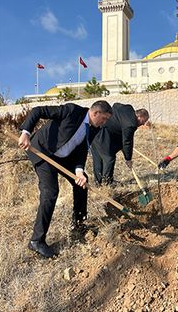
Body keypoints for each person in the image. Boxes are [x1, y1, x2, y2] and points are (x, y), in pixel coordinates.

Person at [18, 101, 113, 258]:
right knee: (51, 192)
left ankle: (78, 224)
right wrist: (26, 132)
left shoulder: (94, 128)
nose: (104, 123)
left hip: (64, 157)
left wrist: (79, 171)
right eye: (103, 118)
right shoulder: (71, 111)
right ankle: (36, 241)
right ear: (95, 113)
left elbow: (82, 150)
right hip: (42, 150)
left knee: (82, 183)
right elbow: (38, 111)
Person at [90, 104, 149, 185]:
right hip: (103, 135)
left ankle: (98, 182)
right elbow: (127, 142)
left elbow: (115, 105)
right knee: (109, 158)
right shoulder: (131, 124)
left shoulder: (129, 108)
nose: (143, 124)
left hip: (95, 130)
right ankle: (107, 182)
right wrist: (128, 158)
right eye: (143, 121)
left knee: (98, 158)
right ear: (139, 117)